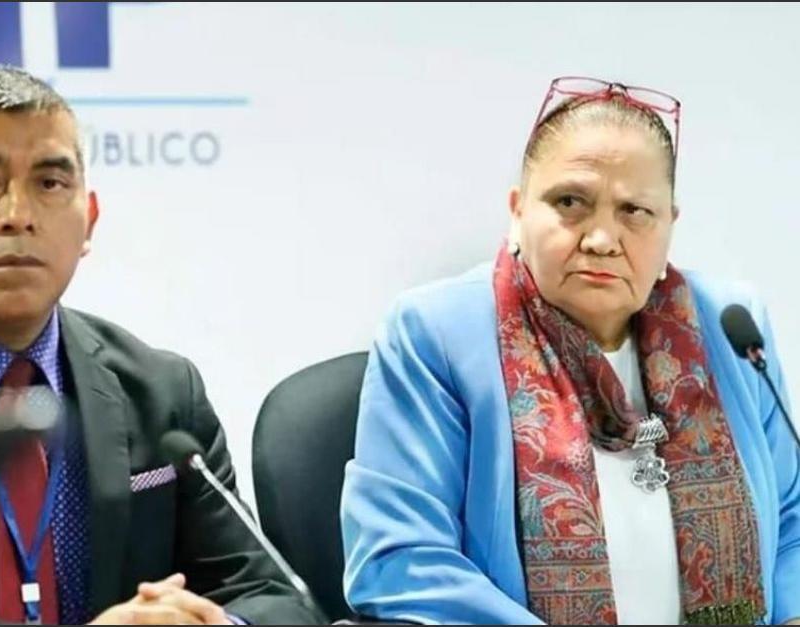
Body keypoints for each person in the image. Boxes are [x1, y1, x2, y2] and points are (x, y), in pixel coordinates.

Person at [0, 66, 323, 626]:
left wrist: (213, 624)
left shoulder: (161, 394)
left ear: (90, 221)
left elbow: (275, 596)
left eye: (50, 184)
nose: (18, 216)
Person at [340, 76, 800, 625]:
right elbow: (400, 558)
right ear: (517, 211)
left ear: (669, 226)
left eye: (635, 211)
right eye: (570, 202)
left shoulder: (728, 326)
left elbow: (792, 521)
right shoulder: (436, 334)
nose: (602, 239)